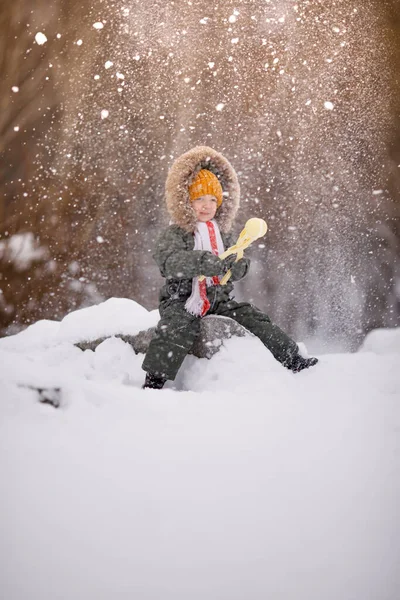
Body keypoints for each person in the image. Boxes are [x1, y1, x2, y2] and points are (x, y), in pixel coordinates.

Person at [142, 146, 318, 389]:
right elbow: (168, 262)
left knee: (253, 317)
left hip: (219, 299)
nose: (207, 205)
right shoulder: (177, 233)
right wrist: (206, 263)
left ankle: (293, 359)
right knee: (176, 327)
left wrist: (235, 267)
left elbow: (240, 260)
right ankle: (154, 380)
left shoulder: (223, 234)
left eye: (213, 199)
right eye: (199, 199)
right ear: (186, 201)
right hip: (181, 299)